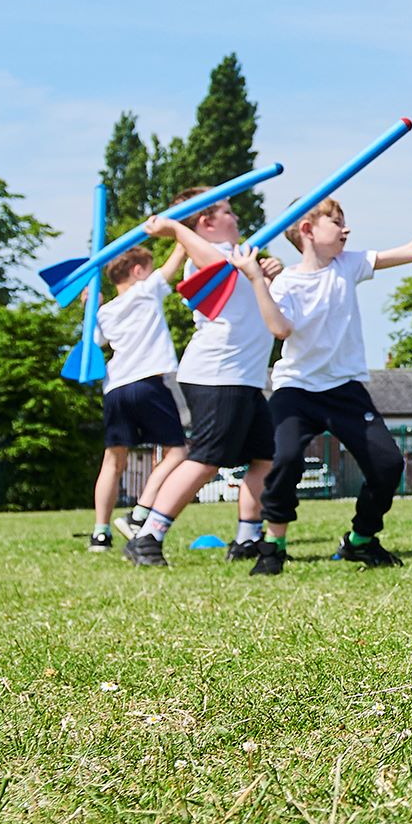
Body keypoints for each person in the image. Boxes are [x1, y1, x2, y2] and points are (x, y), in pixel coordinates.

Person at [246, 186, 412, 571]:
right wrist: (257, 281)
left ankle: (361, 539)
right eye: (337, 222)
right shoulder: (285, 282)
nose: (347, 230)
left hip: (344, 389)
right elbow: (280, 328)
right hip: (296, 389)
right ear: (308, 229)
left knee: (387, 464)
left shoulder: (349, 264)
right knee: (286, 459)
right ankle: (273, 546)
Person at [120, 195, 279, 570]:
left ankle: (247, 538)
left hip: (245, 377)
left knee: (265, 458)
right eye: (225, 210)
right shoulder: (205, 256)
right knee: (206, 459)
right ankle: (148, 536)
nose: (235, 215)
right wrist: (175, 228)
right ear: (205, 222)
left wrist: (265, 276)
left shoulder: (236, 254)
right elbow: (214, 262)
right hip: (217, 375)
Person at [86, 245, 183, 550]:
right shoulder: (147, 291)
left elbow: (93, 344)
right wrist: (182, 233)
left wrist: (90, 309)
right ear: (139, 271)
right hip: (148, 382)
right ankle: (139, 514)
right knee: (178, 453)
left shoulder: (104, 312)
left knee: (113, 461)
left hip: (115, 388)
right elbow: (175, 262)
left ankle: (100, 533)